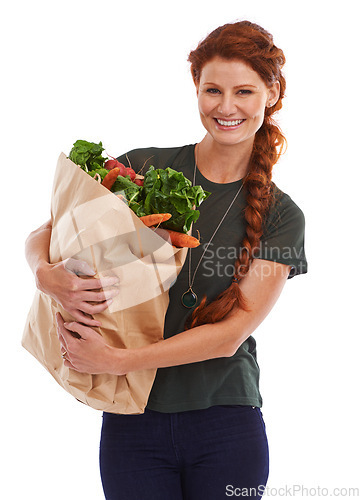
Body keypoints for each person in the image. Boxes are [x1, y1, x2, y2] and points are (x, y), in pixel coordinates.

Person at [25, 20, 307, 500]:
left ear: (272, 92)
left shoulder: (282, 215)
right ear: (195, 88)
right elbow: (48, 231)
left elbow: (232, 333)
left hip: (226, 424)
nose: (226, 107)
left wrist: (118, 359)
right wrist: (45, 275)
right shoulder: (145, 167)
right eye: (212, 89)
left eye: (244, 91)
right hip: (132, 419)